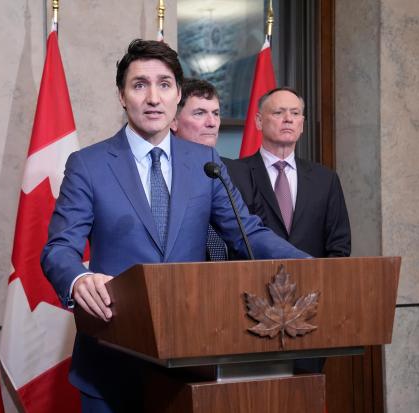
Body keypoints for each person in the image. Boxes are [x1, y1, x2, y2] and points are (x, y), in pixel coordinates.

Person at [41, 39, 310, 412]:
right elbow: (58, 249)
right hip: (112, 361)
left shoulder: (205, 161)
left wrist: (311, 266)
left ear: (177, 95)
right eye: (140, 85)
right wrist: (77, 279)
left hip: (191, 358)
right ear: (122, 95)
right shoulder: (88, 164)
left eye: (164, 84)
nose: (153, 97)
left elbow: (250, 232)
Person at [228, 87, 351, 258]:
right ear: (259, 121)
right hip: (251, 281)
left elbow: (339, 246)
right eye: (278, 113)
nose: (288, 119)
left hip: (313, 282)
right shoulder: (235, 174)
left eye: (295, 113)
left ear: (302, 124)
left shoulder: (325, 179)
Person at [171, 77, 227, 260]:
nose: (212, 122)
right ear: (173, 121)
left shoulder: (228, 173)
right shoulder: (159, 171)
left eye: (216, 113)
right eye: (200, 113)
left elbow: (247, 232)